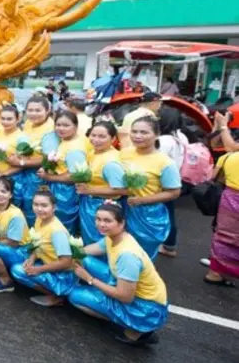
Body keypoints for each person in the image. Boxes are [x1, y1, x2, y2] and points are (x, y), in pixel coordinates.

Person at [69, 202, 168, 345]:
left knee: (74, 295)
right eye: (98, 219)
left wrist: (89, 279)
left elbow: (125, 297)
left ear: (121, 223)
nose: (101, 224)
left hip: (145, 307)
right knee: (84, 259)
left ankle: (136, 329)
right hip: (132, 288)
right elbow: (90, 250)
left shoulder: (127, 256)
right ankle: (111, 308)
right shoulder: (114, 237)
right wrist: (70, 253)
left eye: (107, 221)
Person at [119, 117, 181, 259]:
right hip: (122, 208)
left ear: (157, 134)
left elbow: (174, 192)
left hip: (147, 214)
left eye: (144, 132)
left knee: (140, 255)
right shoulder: (124, 153)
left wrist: (142, 200)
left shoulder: (165, 163)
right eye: (134, 131)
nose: (137, 136)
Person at [10, 188, 77, 307]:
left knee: (17, 270)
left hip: (62, 275)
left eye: (44, 205)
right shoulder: (39, 219)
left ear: (54, 207)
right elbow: (39, 243)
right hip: (47, 263)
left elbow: (66, 262)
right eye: (36, 204)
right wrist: (31, 258)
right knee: (21, 262)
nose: (39, 209)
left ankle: (57, 296)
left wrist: (38, 269)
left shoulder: (57, 232)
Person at [36, 110, 90, 233]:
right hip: (61, 188)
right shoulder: (68, 140)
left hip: (66, 192)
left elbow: (74, 176)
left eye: (66, 125)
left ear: (75, 126)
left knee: (63, 223)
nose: (61, 128)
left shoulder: (75, 149)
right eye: (58, 125)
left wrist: (49, 177)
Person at [76, 122, 126, 245]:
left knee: (99, 241)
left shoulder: (111, 163)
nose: (96, 140)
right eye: (93, 135)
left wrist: (89, 190)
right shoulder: (94, 152)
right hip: (90, 203)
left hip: (103, 206)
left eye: (102, 136)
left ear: (113, 139)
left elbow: (120, 190)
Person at [10, 95, 56, 226]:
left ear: (47, 110)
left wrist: (22, 162)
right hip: (22, 172)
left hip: (38, 174)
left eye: (38, 110)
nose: (33, 114)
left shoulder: (50, 130)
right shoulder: (28, 124)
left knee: (34, 205)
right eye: (30, 110)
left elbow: (48, 158)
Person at [157, 107, 189, 258]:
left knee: (162, 213)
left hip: (162, 181)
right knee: (169, 211)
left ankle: (167, 244)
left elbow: (156, 161)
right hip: (176, 178)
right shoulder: (181, 136)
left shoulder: (163, 140)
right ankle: (169, 244)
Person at [204, 151, 239, 286]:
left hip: (229, 199)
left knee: (224, 236)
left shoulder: (228, 157)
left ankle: (214, 273)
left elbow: (214, 177)